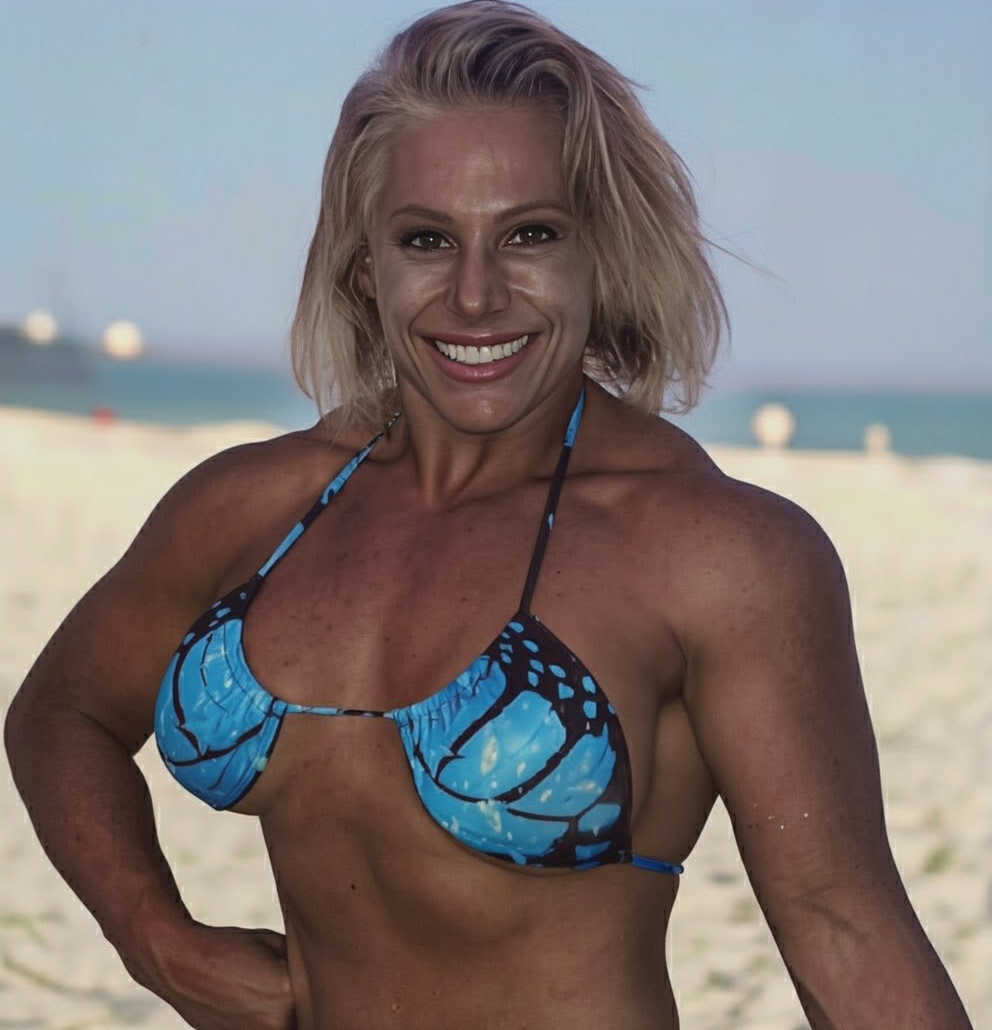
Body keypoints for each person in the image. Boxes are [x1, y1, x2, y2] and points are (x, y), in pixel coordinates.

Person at [4, 2, 973, 1028]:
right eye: (427, 239)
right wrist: (160, 942)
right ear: (365, 266)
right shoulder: (253, 507)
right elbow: (61, 717)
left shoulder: (711, 553)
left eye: (530, 235)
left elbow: (841, 928)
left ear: (601, 254)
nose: (475, 296)